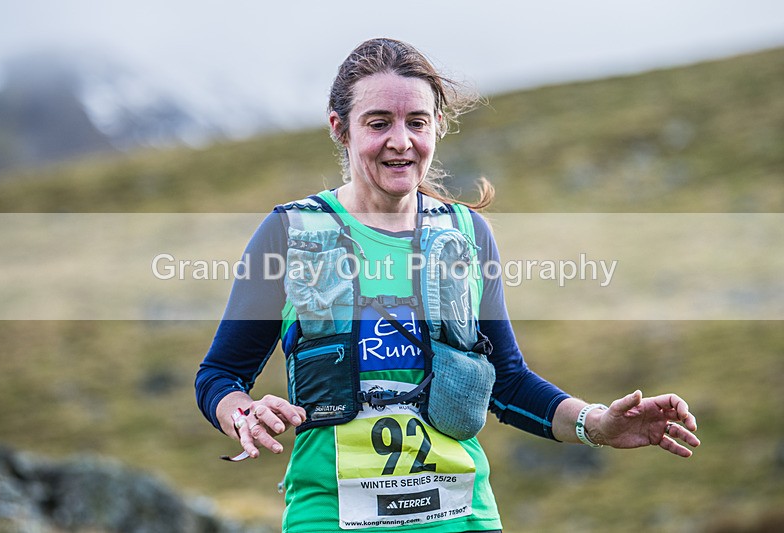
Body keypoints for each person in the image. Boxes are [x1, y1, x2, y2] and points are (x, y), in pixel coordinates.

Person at [195, 38, 700, 533]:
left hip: (464, 519)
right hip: (330, 519)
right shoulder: (291, 234)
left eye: (417, 122)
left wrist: (598, 425)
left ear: (437, 125)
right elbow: (220, 374)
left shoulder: (465, 235)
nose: (401, 140)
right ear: (340, 129)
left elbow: (506, 381)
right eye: (378, 123)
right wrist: (243, 413)